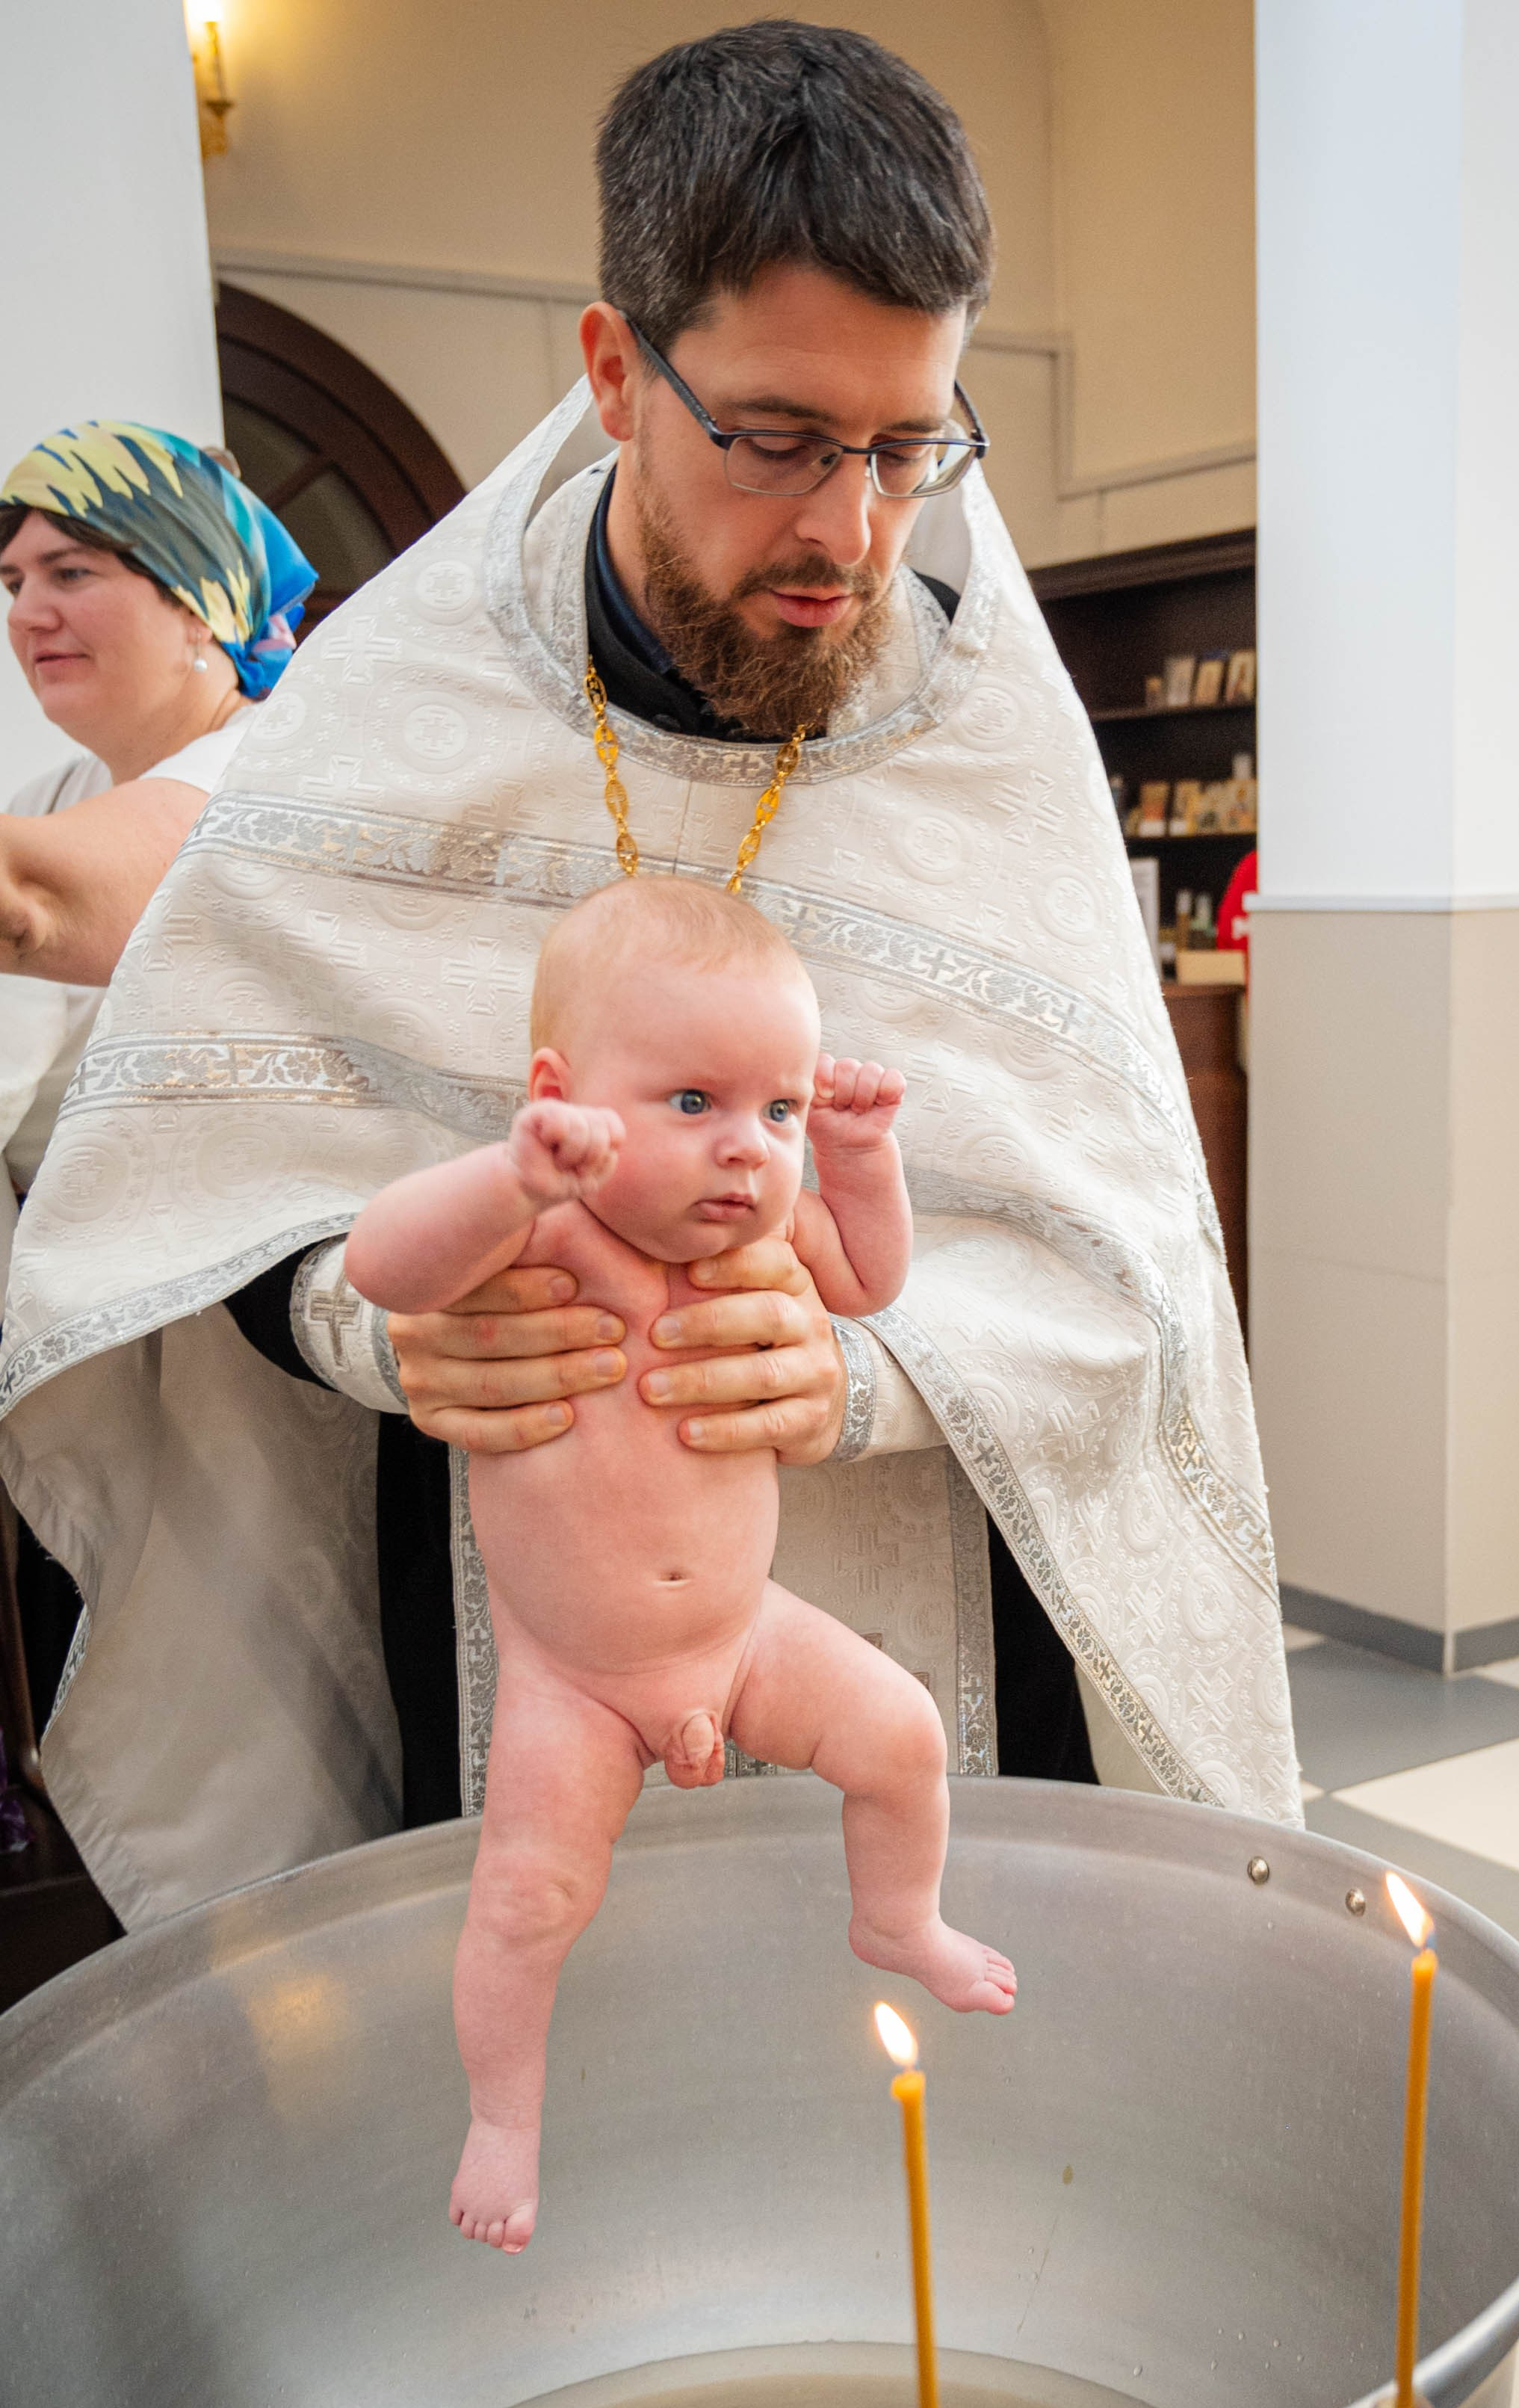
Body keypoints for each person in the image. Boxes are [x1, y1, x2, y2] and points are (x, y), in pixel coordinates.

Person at [0, 22, 1298, 1933]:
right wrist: (387, 1332)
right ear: (614, 369)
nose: (850, 531)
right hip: (517, 1621)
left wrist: (866, 1368)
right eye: (777, 440)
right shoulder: (390, 716)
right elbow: (182, 1186)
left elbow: (1137, 1278)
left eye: (909, 447)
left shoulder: (982, 740)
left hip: (926, 1630)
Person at [348, 877, 1015, 2251]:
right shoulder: (537, 1232)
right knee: (529, 1894)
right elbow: (381, 1265)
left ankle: (898, 1919)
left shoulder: (771, 1229)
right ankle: (505, 2117)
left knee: (901, 1738)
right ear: (561, 1093)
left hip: (744, 1635)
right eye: (693, 1105)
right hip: (573, 1678)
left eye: (775, 1109)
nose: (744, 1153)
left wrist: (857, 1159)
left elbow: (872, 1283)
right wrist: (509, 1176)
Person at [0, 422, 315, 1735]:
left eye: (72, 570)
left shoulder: (265, 779)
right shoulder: (68, 784)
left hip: (252, 1371)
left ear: (199, 601)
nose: (29, 609)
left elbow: (36, 905)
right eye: (12, 581)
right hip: (111, 1362)